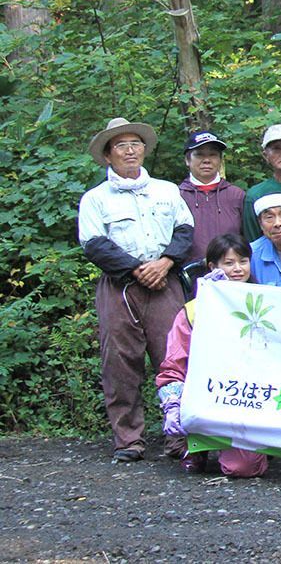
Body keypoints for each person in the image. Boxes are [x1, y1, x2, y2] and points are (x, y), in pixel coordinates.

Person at [79, 117, 195, 463]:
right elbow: (94, 244)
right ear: (108, 154)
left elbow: (185, 230)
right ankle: (128, 439)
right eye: (121, 145)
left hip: (165, 281)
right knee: (119, 363)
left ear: (144, 150)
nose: (130, 151)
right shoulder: (95, 198)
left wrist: (165, 263)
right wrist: (136, 268)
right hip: (120, 287)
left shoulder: (166, 190)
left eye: (135, 144)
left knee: (175, 357)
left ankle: (180, 436)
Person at [155, 234, 268, 478]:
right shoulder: (194, 310)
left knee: (243, 468)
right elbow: (173, 365)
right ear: (212, 266)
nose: (238, 269)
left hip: (248, 397)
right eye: (229, 263)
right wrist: (174, 405)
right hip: (207, 393)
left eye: (243, 261)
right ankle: (196, 446)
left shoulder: (266, 304)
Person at [178, 130, 246, 270]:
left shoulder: (237, 196)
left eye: (213, 154)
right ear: (187, 160)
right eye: (199, 154)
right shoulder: (176, 196)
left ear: (220, 160)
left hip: (231, 275)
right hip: (188, 275)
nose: (207, 160)